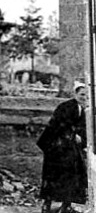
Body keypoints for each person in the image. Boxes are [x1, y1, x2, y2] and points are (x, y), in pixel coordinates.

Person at [37, 81, 89, 213]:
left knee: (73, 175)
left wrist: (81, 139)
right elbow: (58, 126)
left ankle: (66, 205)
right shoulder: (65, 107)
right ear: (75, 94)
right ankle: (47, 205)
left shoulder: (82, 109)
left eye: (86, 95)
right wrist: (72, 136)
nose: (84, 97)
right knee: (53, 177)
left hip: (68, 148)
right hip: (56, 148)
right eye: (82, 94)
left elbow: (82, 129)